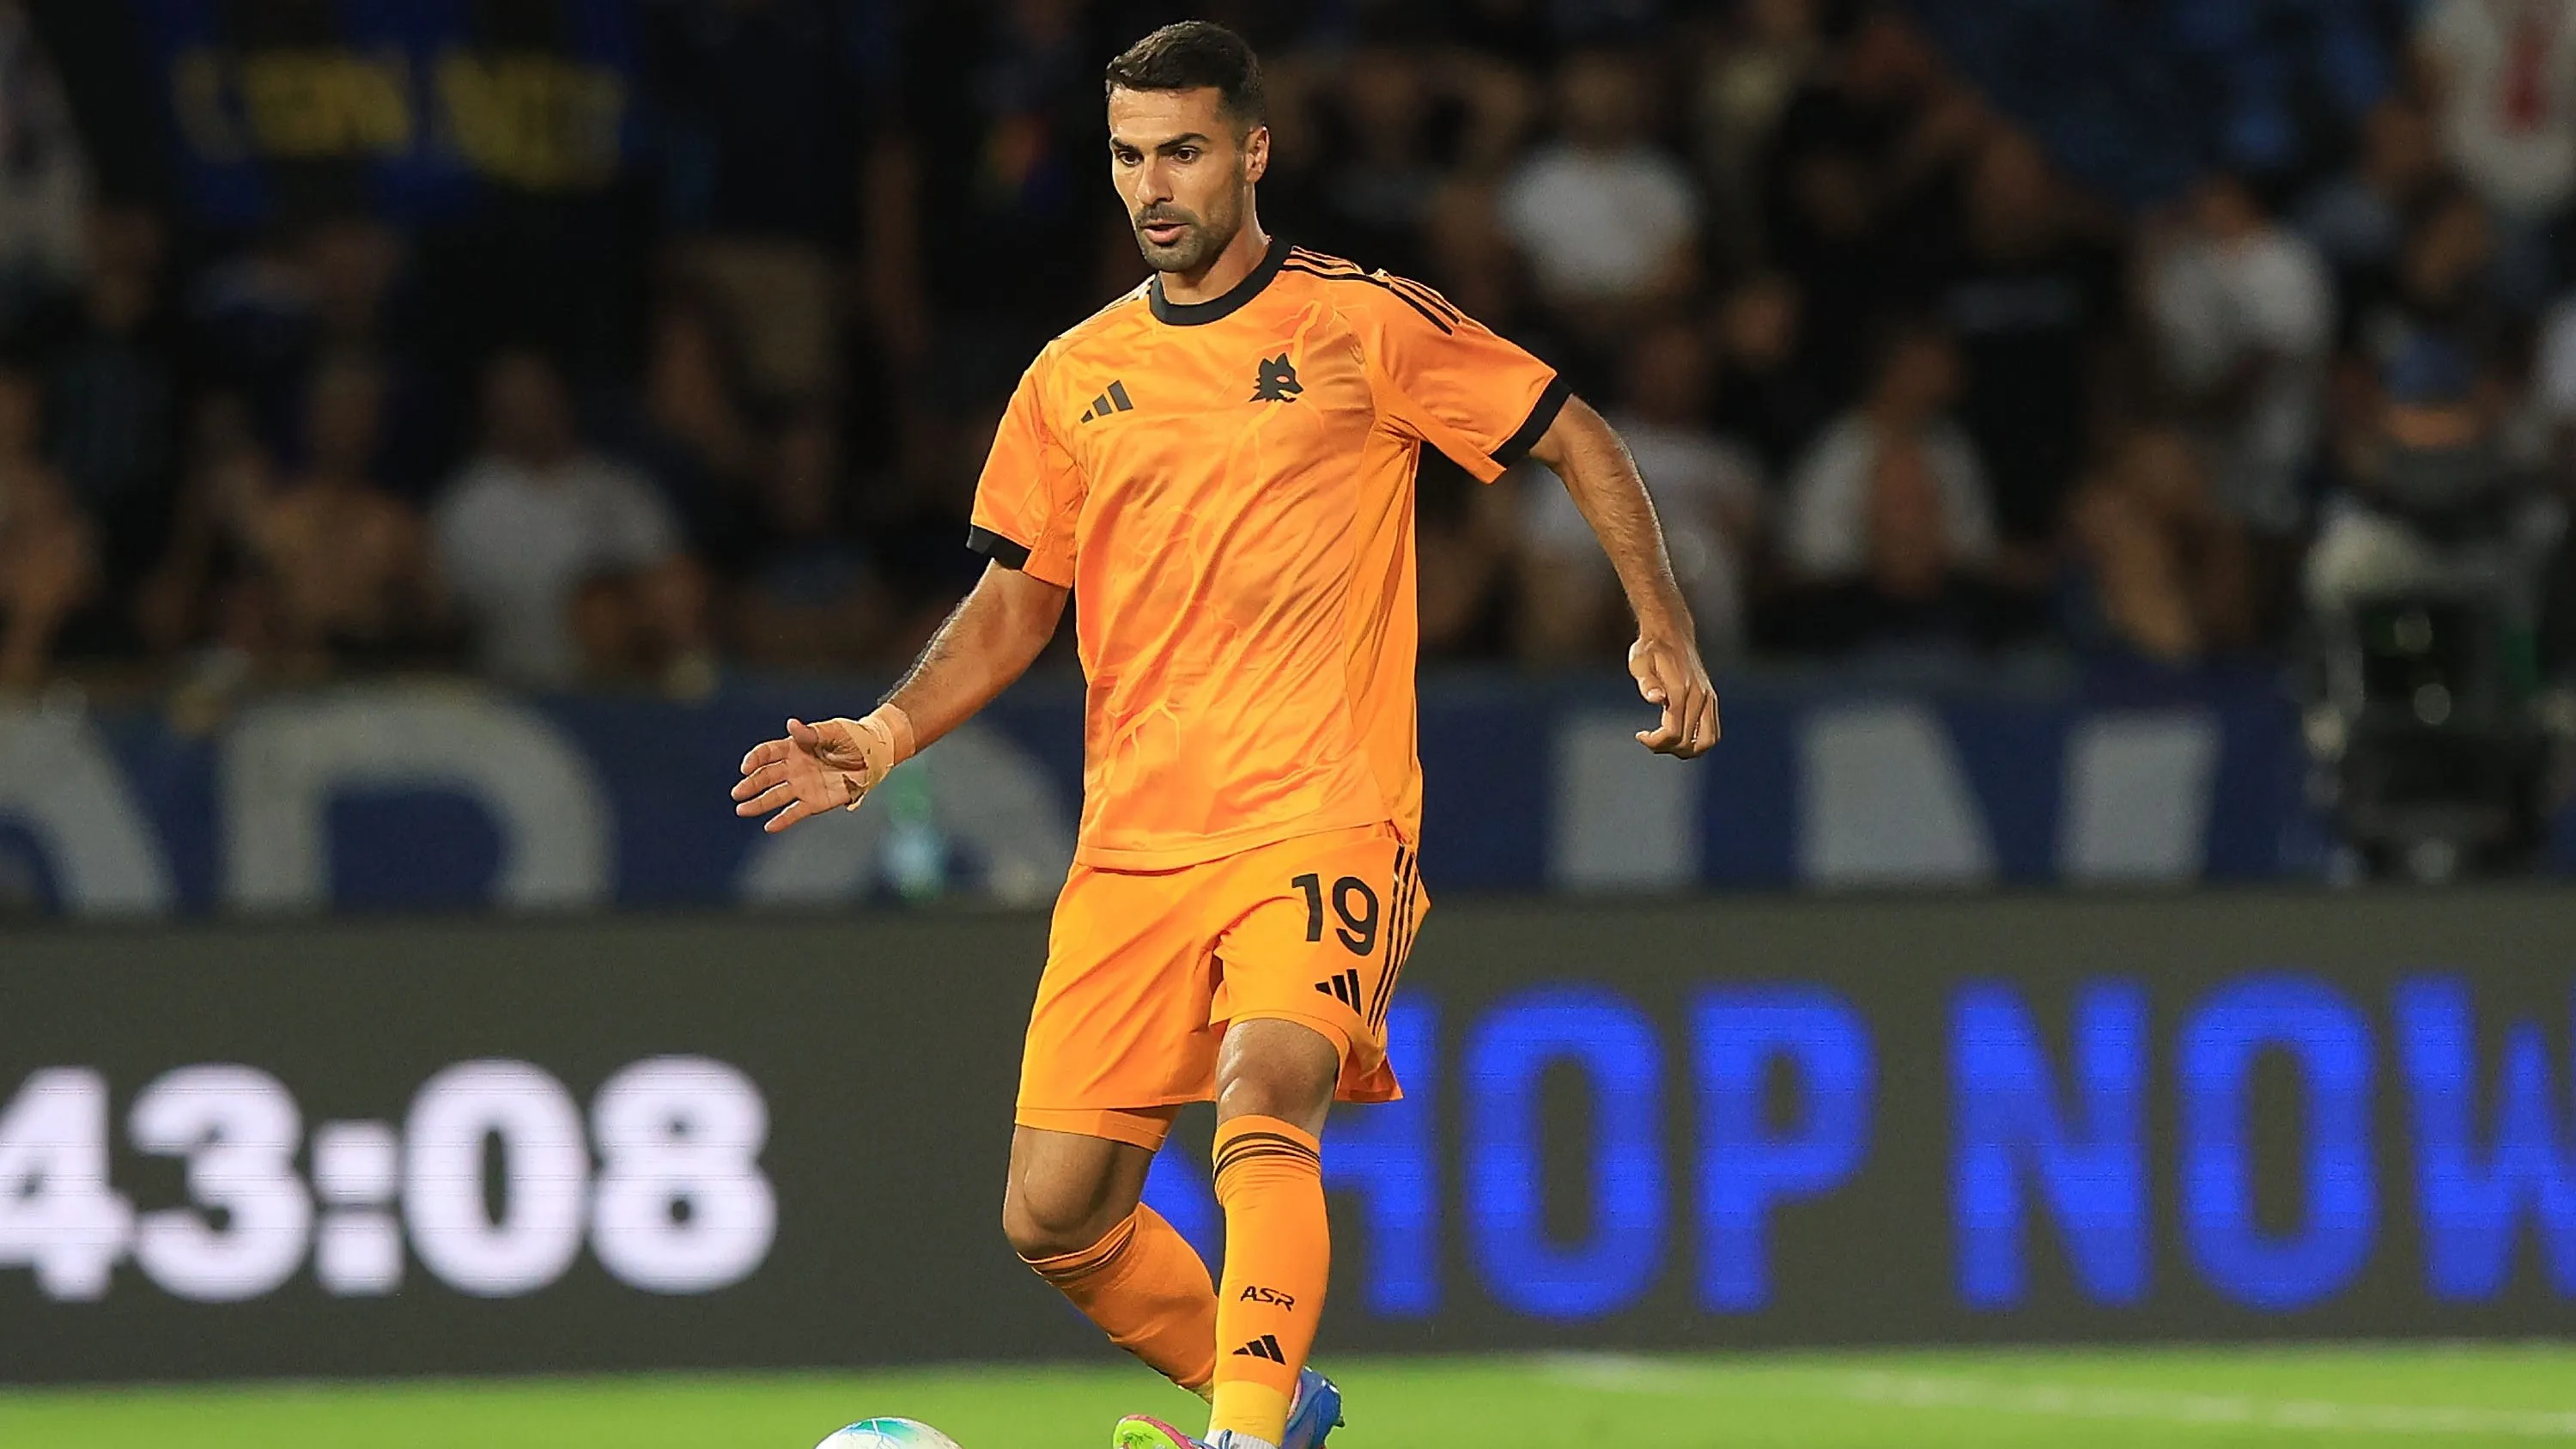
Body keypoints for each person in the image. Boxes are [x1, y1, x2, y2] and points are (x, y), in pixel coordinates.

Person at [729, 23, 1717, 1449]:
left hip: (1323, 808)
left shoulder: (1360, 321)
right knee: (1053, 1212)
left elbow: (1573, 430)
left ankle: (1244, 1441)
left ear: (1254, 151)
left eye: (1182, 150)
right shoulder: (1072, 375)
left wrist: (1662, 624)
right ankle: (1275, 1403)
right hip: (1135, 845)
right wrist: (882, 738)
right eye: (1129, 155)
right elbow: (1018, 606)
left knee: (1267, 1089)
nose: (1152, 185)